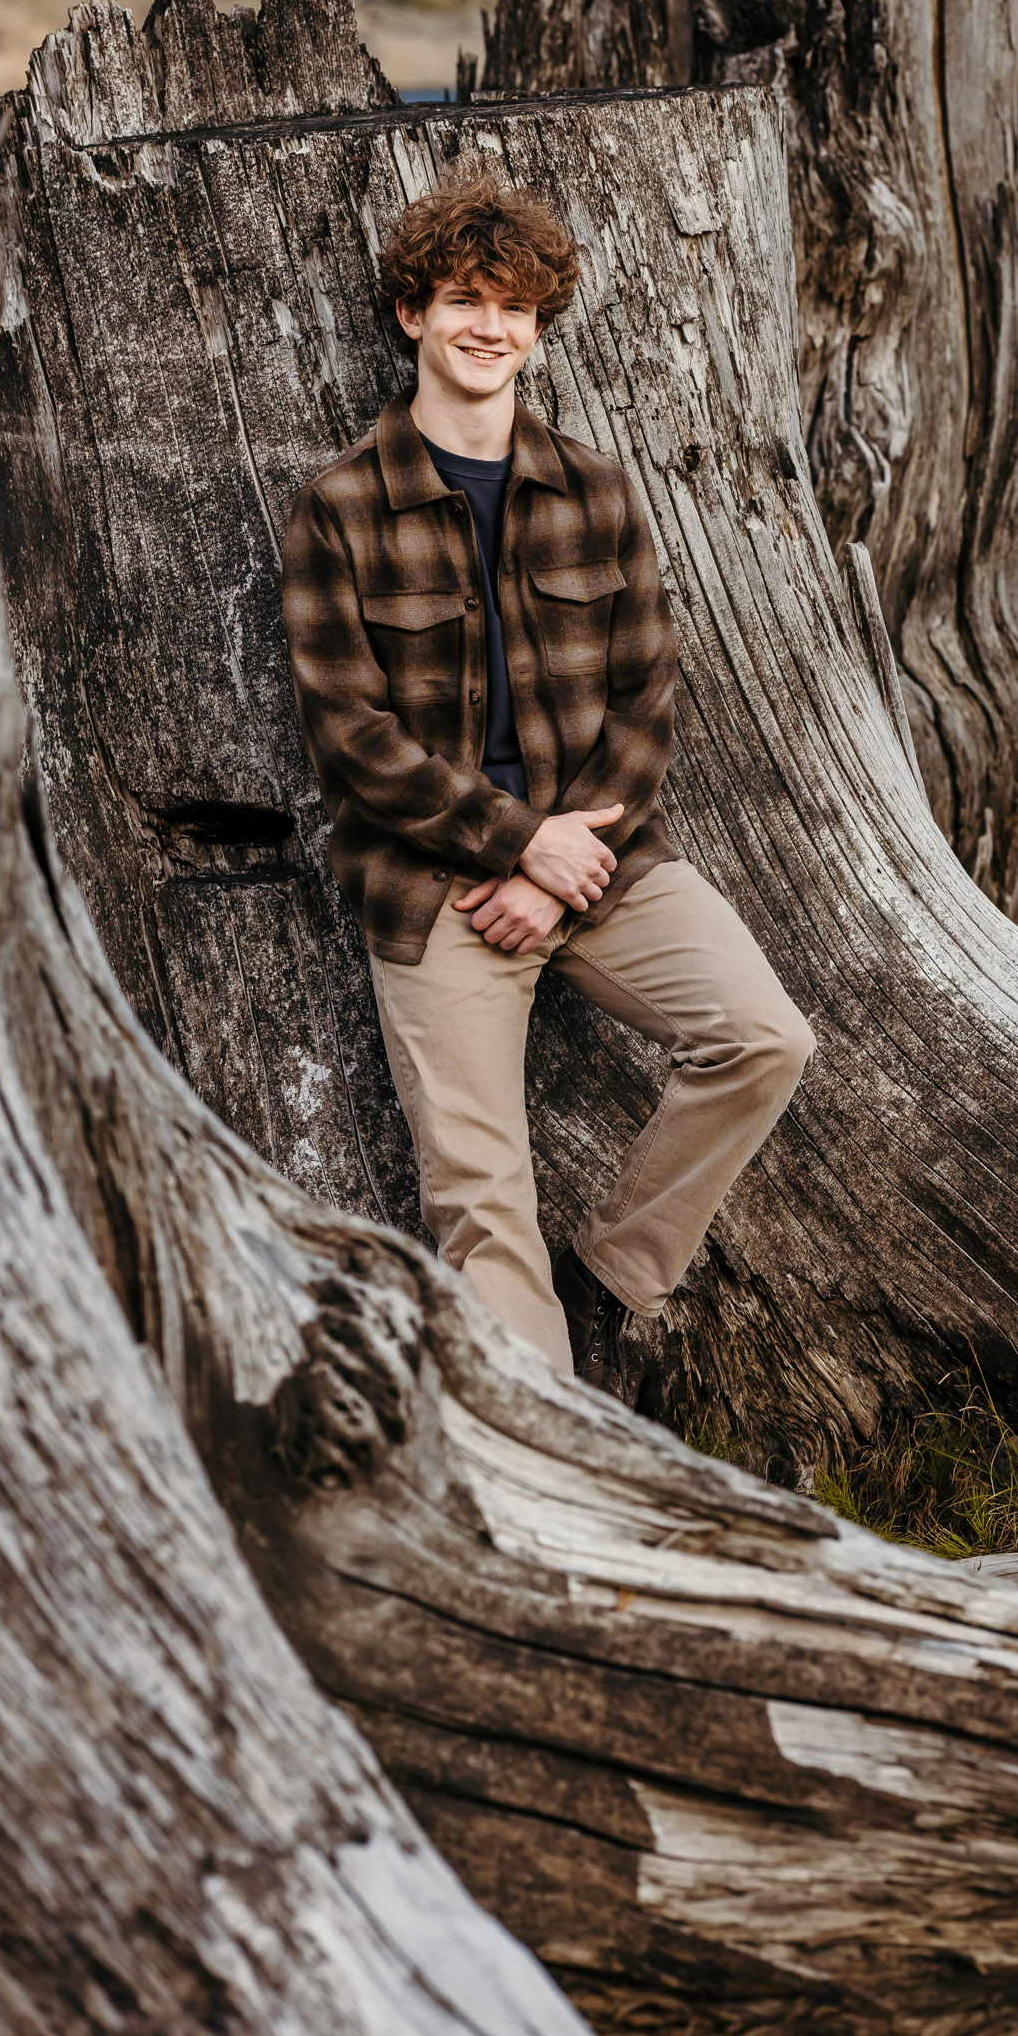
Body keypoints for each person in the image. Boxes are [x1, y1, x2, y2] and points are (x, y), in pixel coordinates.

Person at [282, 175, 814, 1394]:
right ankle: (552, 1447)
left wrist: (566, 867)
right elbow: (349, 734)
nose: (492, 329)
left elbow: (647, 700)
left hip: (607, 864)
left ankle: (614, 1275)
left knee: (761, 1039)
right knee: (479, 1196)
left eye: (516, 309)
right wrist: (516, 845)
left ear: (539, 328)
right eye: (465, 300)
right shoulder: (340, 506)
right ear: (410, 314)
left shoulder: (597, 489)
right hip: (434, 887)